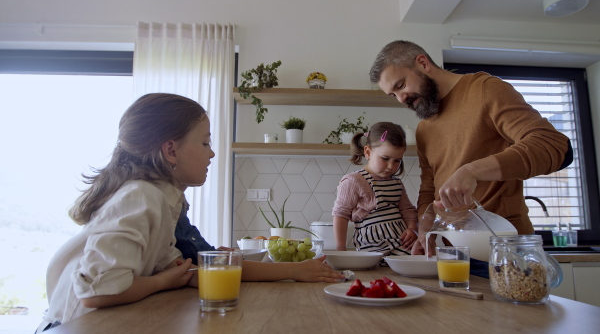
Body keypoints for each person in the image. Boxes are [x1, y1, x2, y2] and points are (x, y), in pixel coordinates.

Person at [37, 93, 342, 332]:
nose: (211, 153)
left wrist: (290, 271)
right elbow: (98, 293)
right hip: (76, 325)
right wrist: (163, 282)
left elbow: (186, 270)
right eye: (205, 142)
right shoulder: (140, 196)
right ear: (170, 150)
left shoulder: (163, 199)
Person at [368, 40, 572, 258]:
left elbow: (552, 144)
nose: (401, 99)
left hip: (504, 250)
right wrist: (425, 230)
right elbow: (428, 189)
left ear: (422, 63)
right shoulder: (424, 129)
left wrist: (472, 171)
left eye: (400, 86)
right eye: (393, 95)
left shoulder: (485, 90)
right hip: (450, 253)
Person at [332, 122, 419, 256]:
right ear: (368, 152)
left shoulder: (396, 183)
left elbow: (407, 209)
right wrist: (341, 251)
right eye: (385, 158)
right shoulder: (354, 181)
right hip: (372, 246)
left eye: (397, 160)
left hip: (402, 244)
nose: (391, 166)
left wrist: (412, 228)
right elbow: (340, 215)